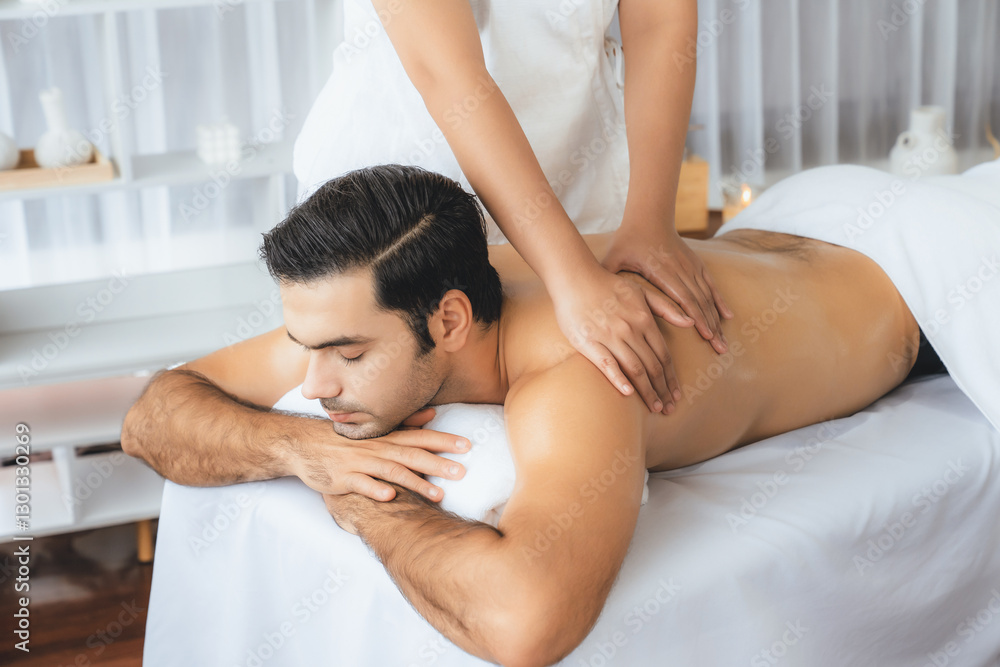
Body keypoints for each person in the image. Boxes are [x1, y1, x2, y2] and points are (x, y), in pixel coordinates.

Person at [122, 165, 946, 664]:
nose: (313, 384)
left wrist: (363, 503)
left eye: (346, 355)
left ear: (449, 320)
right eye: (308, 348)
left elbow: (527, 626)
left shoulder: (576, 371)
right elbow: (153, 414)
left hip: (924, 285)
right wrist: (305, 451)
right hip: (796, 220)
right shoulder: (380, 300)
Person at [291, 0, 733, 416]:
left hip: (583, 180)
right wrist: (572, 275)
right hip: (403, 216)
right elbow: (445, 72)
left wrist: (650, 222)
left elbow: (659, 22)